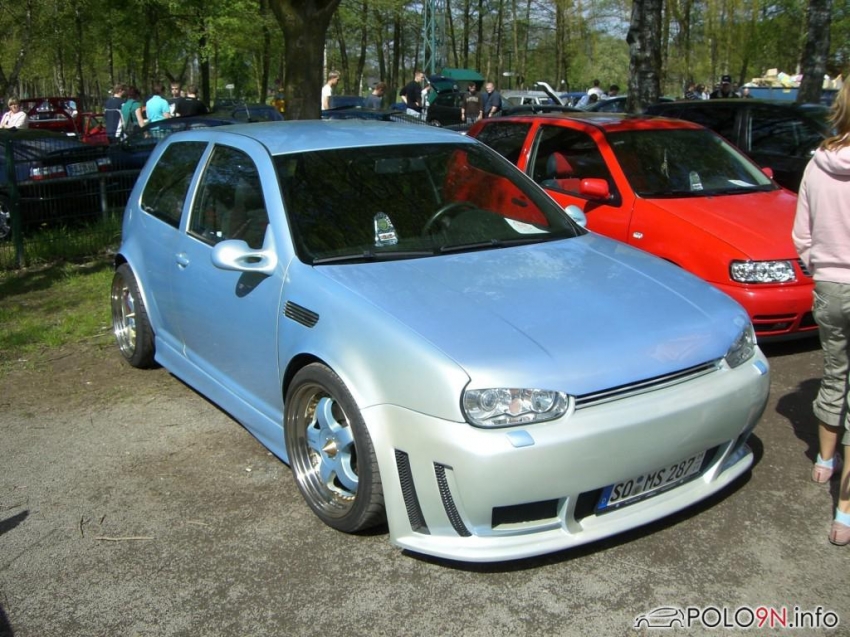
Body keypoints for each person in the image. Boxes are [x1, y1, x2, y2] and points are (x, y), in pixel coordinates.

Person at [791, 80, 850, 546]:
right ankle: (844, 509)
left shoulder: (817, 163)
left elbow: (802, 235)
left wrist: (823, 266)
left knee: (834, 373)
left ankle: (824, 460)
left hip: (830, 286)